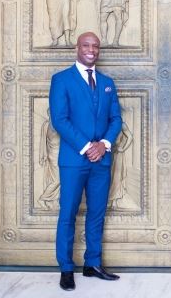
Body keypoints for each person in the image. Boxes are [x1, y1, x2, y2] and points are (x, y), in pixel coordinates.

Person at [49, 32, 122, 291]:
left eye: (96, 46)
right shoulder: (61, 80)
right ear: (77, 48)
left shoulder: (107, 83)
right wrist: (86, 145)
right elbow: (60, 119)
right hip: (73, 159)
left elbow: (116, 120)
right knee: (68, 213)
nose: (92, 50)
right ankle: (66, 268)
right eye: (86, 45)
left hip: (101, 160)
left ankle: (92, 264)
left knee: (97, 213)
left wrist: (103, 145)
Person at [37, 108, 60, 209]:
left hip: (62, 155)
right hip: (52, 155)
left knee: (61, 180)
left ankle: (55, 201)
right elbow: (43, 141)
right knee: (58, 180)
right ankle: (42, 199)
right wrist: (42, 155)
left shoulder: (60, 123)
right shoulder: (46, 125)